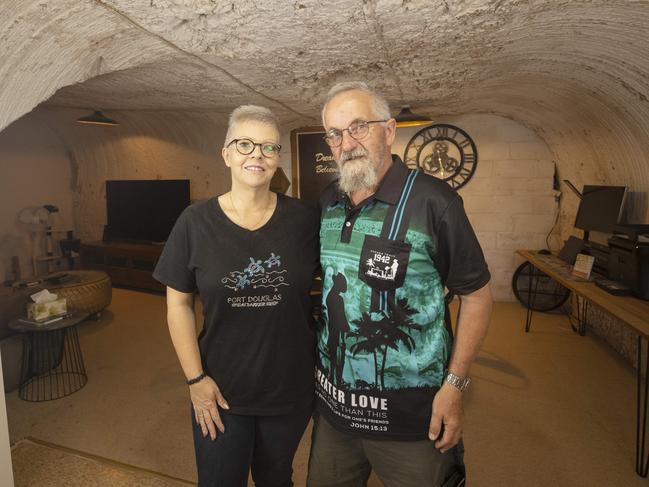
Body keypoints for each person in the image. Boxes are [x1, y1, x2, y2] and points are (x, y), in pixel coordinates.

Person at [307, 82, 493, 487]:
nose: (347, 142)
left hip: (414, 417)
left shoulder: (433, 201)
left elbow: (476, 297)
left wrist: (455, 386)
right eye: (335, 133)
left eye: (359, 127)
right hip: (335, 413)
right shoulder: (328, 201)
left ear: (389, 131)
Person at [153, 105, 319, 487]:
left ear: (278, 159)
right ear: (226, 153)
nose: (256, 155)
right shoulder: (195, 222)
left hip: (289, 389)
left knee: (276, 477)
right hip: (220, 388)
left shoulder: (305, 220)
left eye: (268, 147)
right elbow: (177, 304)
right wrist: (195, 380)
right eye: (244, 144)